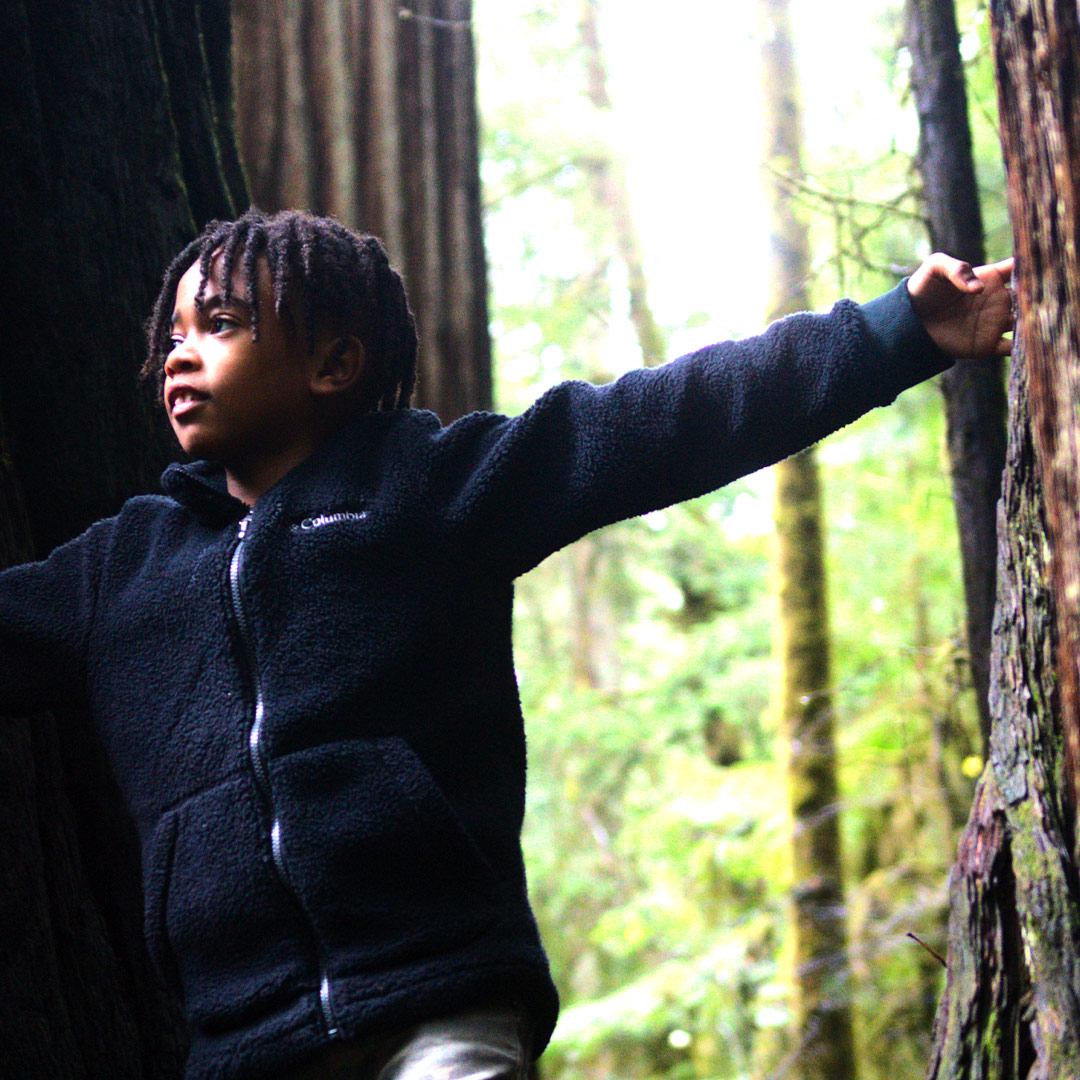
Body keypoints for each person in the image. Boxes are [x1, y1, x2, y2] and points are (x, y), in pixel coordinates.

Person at [0, 208, 1013, 1080]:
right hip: (240, 1041)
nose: (179, 352)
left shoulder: (433, 488)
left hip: (441, 1000)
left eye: (219, 325)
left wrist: (896, 332)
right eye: (172, 333)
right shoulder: (117, 571)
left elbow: (669, 422)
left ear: (333, 361)